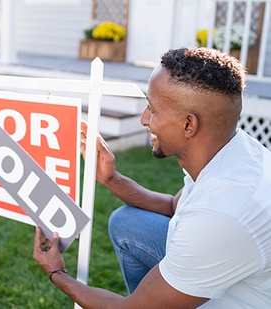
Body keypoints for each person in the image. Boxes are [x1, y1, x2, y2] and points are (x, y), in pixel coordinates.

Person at [33, 47, 271, 308]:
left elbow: (130, 308)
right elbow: (173, 207)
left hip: (236, 298)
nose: (144, 119)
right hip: (221, 264)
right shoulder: (230, 149)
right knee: (127, 222)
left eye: (153, 109)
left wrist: (58, 273)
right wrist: (112, 179)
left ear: (189, 125)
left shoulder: (221, 214)